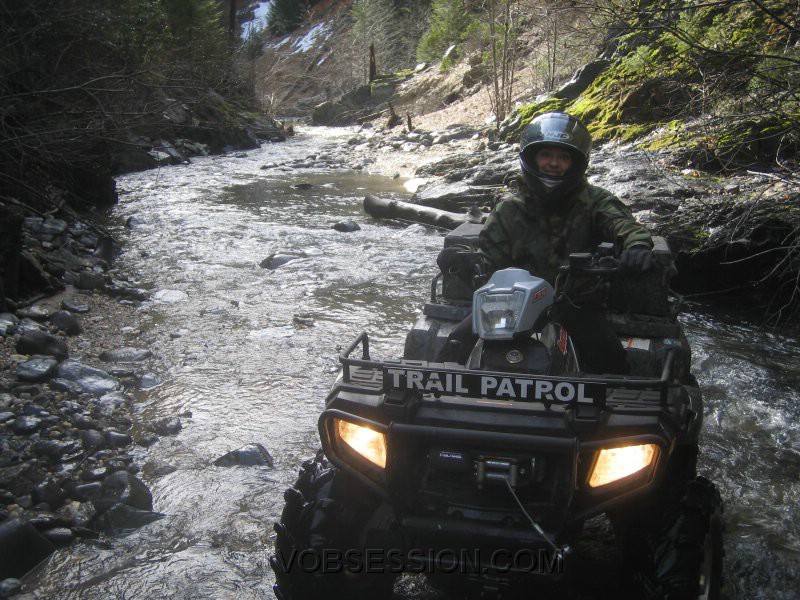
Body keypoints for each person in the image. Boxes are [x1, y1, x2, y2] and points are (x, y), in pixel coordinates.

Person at [477, 111, 654, 374]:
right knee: (458, 340)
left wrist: (637, 245)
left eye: (563, 157)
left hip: (574, 303)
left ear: (576, 163)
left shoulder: (595, 201)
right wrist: (463, 261)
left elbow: (622, 224)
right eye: (546, 155)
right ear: (532, 157)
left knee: (609, 360)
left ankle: (612, 401)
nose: (553, 163)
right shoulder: (508, 209)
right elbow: (487, 256)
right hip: (511, 304)